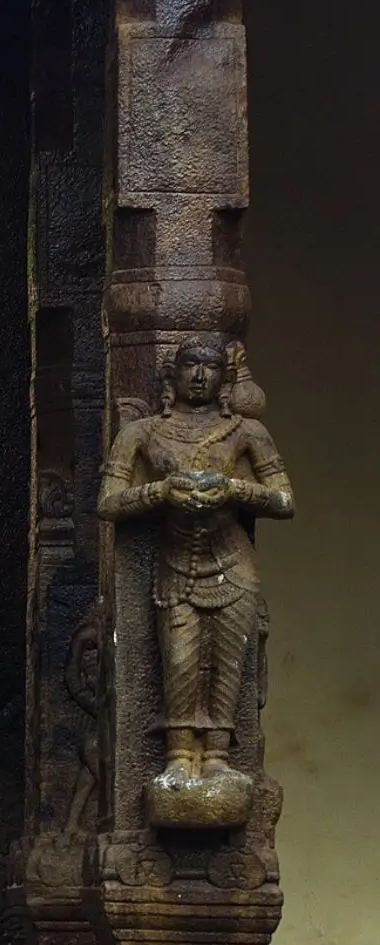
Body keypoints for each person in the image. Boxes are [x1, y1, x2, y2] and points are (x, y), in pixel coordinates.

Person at [99, 337, 294, 806]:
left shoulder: (245, 432)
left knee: (228, 666)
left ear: (224, 378)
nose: (200, 376)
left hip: (233, 566)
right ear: (173, 374)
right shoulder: (143, 433)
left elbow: (284, 499)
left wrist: (232, 489)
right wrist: (161, 492)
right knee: (181, 662)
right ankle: (180, 754)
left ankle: (218, 757)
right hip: (175, 566)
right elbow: (107, 502)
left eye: (210, 367)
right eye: (191, 365)